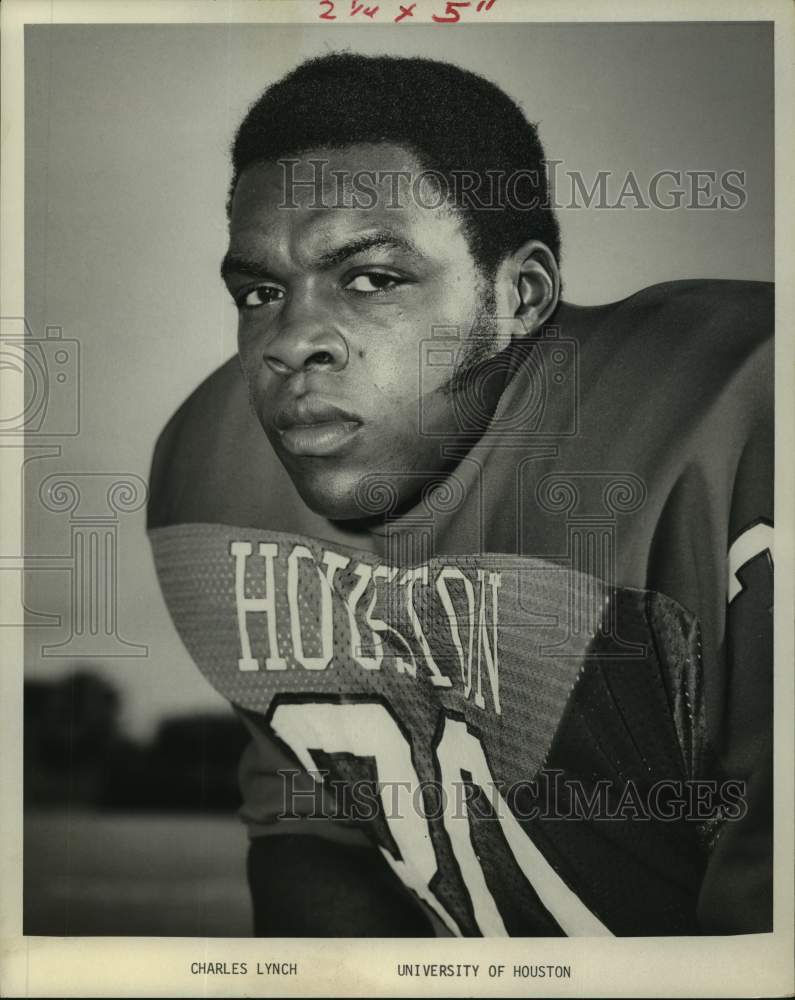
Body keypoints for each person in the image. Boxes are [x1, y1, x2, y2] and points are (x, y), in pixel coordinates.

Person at [147, 53, 773, 937]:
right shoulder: (215, 473)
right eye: (260, 292)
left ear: (521, 295)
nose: (290, 341)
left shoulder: (738, 411)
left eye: (371, 279)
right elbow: (315, 829)